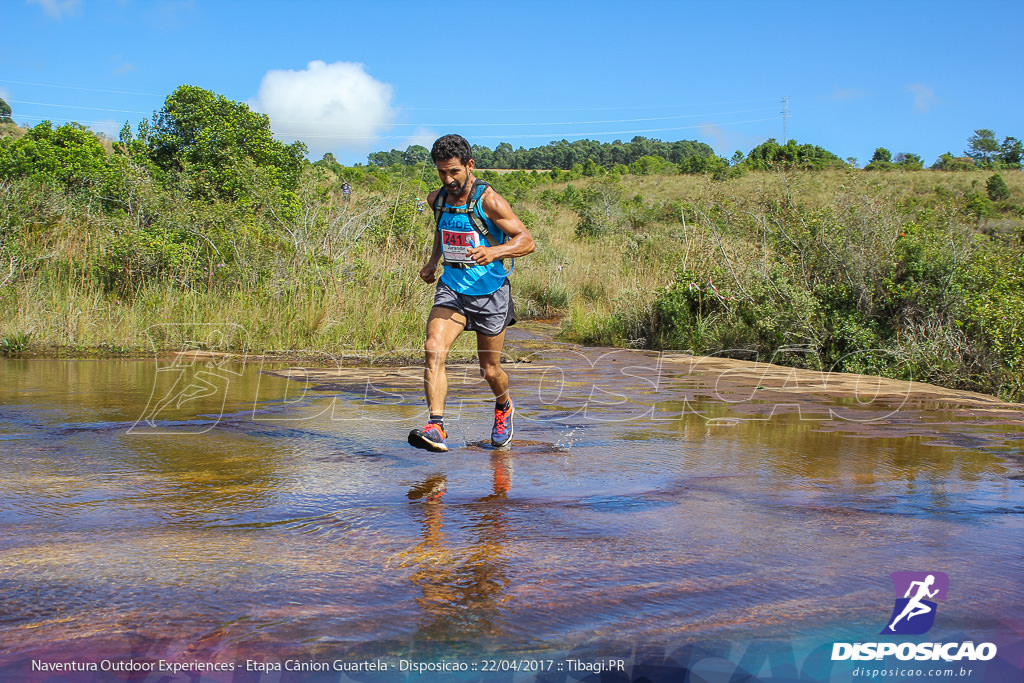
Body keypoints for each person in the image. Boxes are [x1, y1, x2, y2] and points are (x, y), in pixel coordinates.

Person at [408, 134, 535, 452]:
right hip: (452, 288)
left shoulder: (488, 200)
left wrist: (495, 252)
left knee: (489, 370)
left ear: (469, 165)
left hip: (490, 292)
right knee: (433, 348)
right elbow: (443, 228)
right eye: (441, 172)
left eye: (454, 172)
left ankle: (503, 406)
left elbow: (526, 241)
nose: (448, 179)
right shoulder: (436, 199)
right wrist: (432, 261)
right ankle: (436, 426)